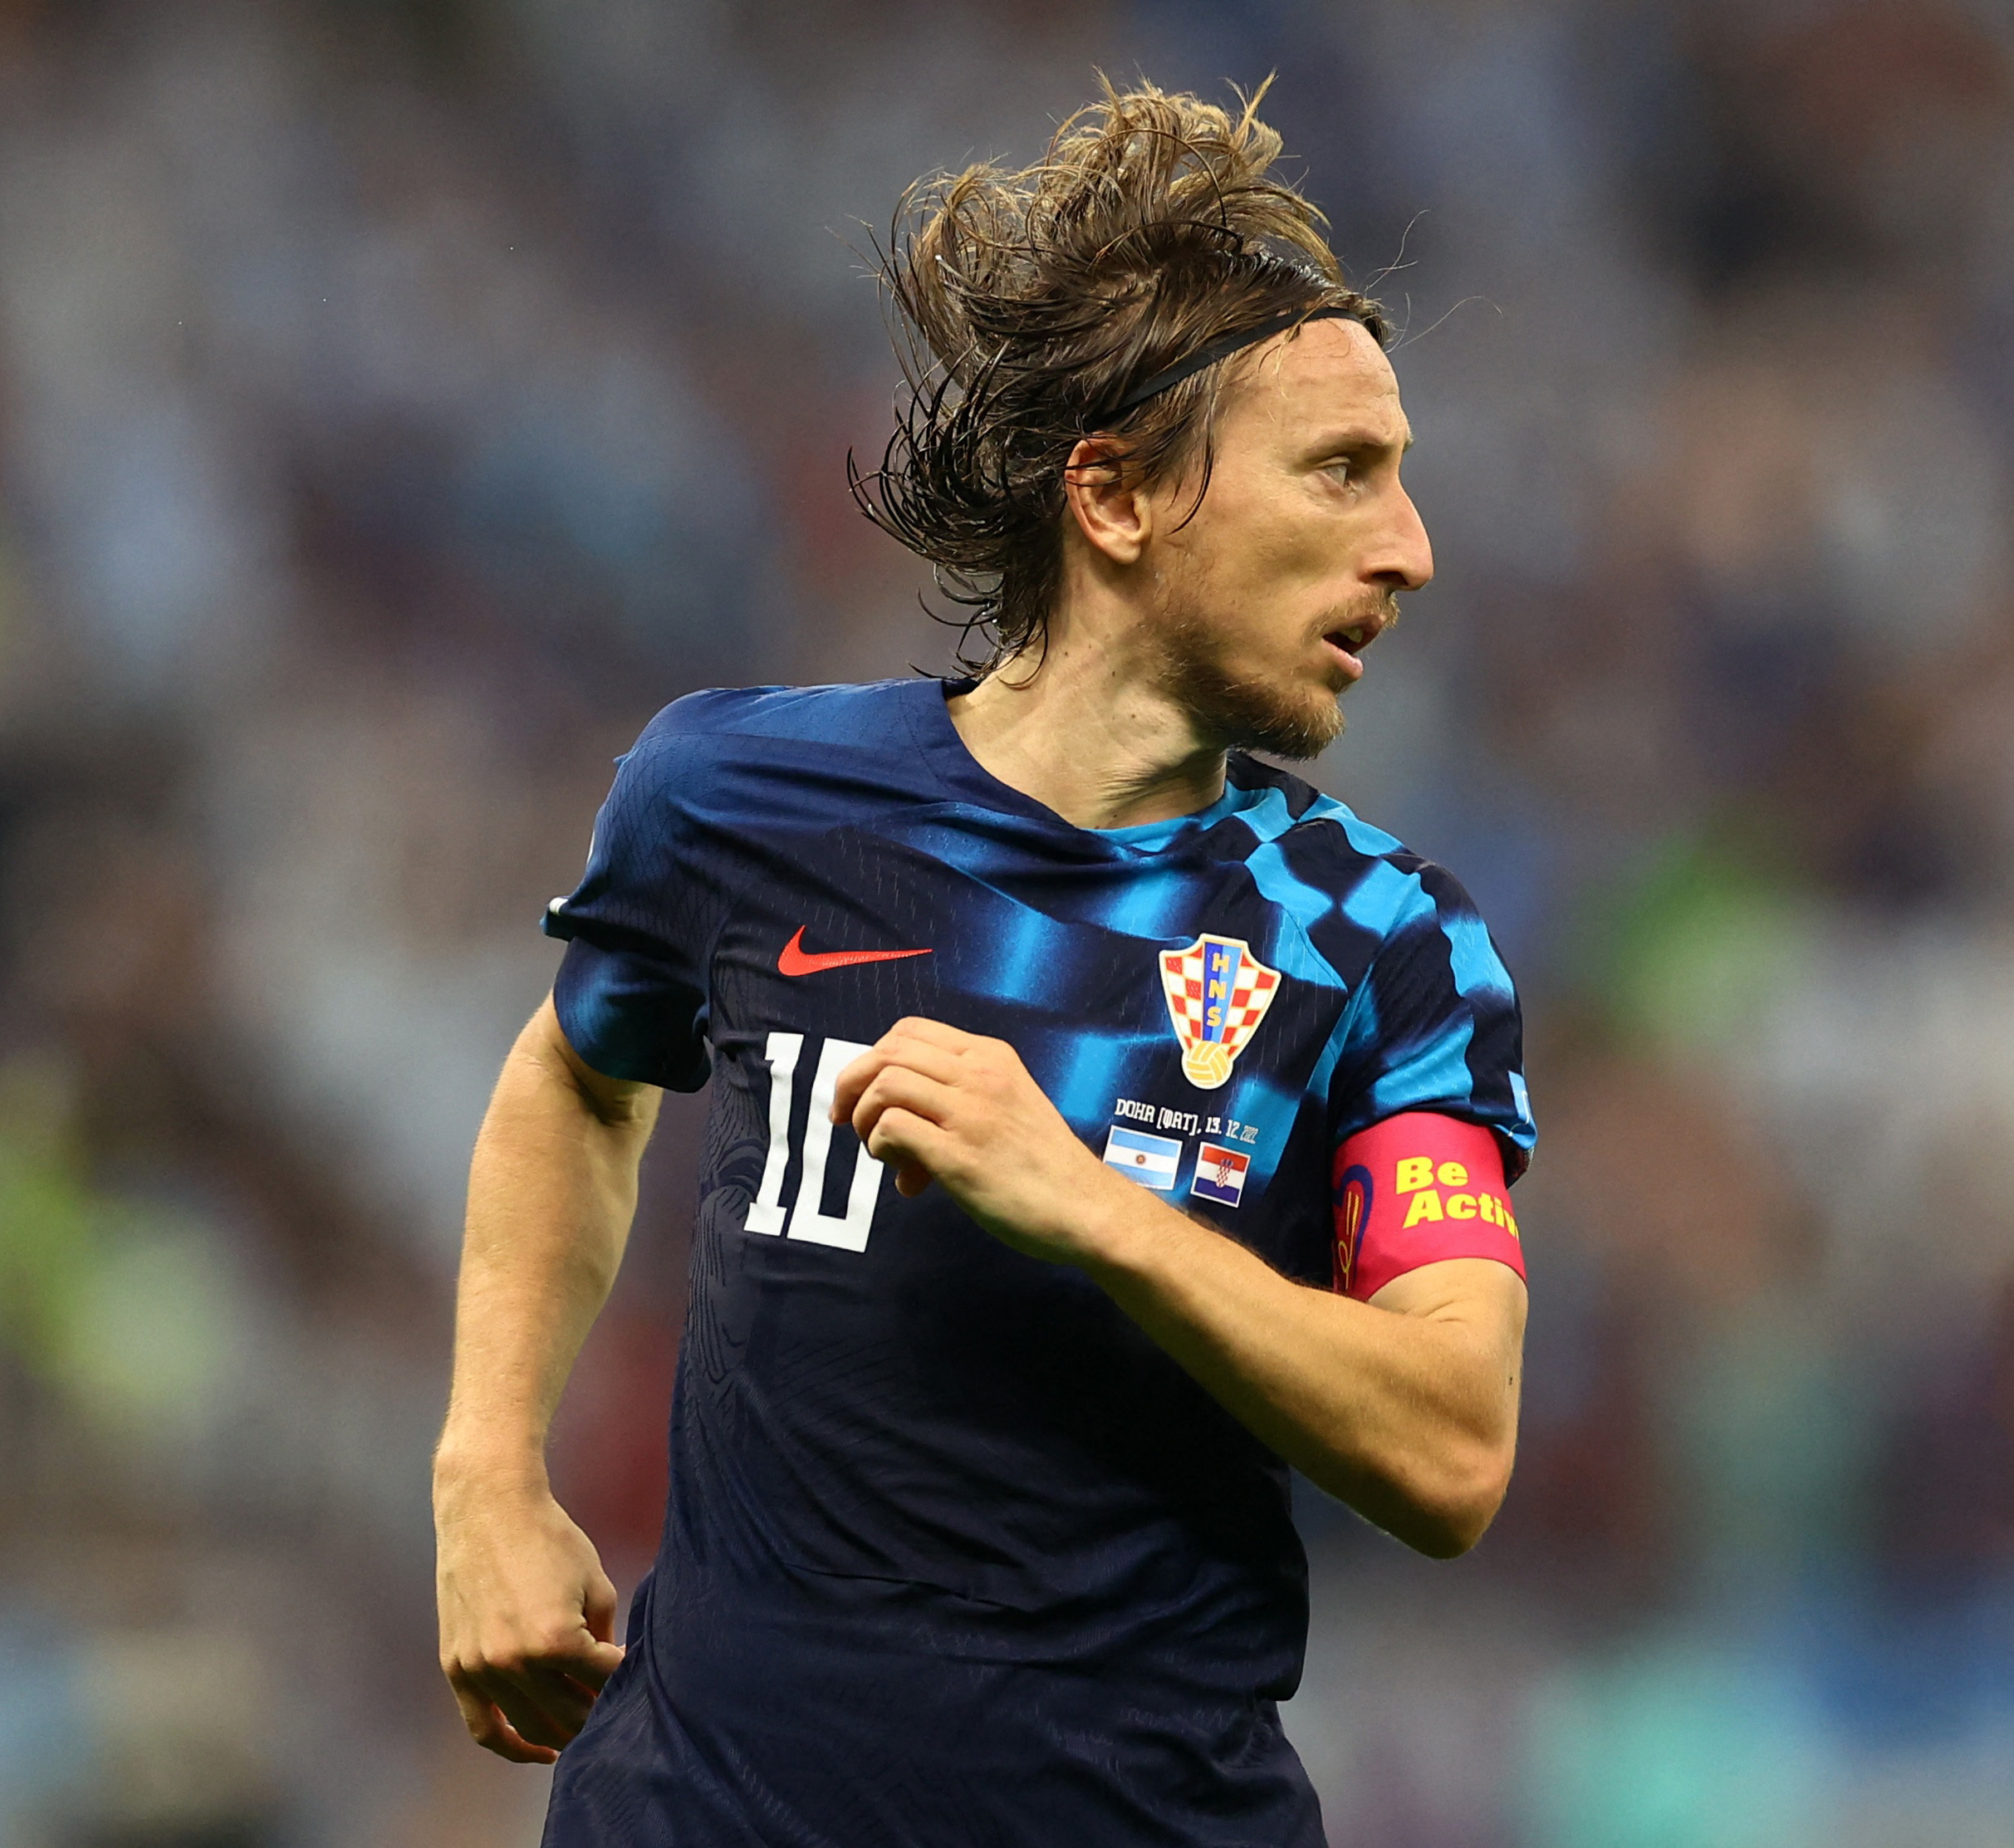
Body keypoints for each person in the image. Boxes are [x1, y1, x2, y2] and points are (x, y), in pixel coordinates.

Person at [430, 81, 1535, 1845]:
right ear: (1114, 496)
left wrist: (1085, 1201)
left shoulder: (1380, 936)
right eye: (1342, 472)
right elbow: (577, 1073)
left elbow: (1450, 1441)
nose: (1406, 547)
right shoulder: (736, 797)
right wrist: (487, 1471)